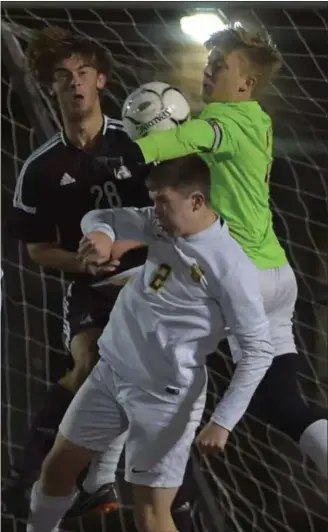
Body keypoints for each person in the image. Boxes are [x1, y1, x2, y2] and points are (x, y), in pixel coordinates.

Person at [103, 24, 327, 478]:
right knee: (282, 402)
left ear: (246, 82)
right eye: (208, 64)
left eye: (219, 67)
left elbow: (181, 141)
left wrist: (115, 156)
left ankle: (110, 470)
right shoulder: (259, 119)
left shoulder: (221, 125)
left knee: (143, 340)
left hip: (239, 275)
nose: (208, 72)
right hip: (277, 277)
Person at [26, 155, 274, 532]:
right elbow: (101, 216)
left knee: (151, 516)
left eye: (163, 202)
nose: (154, 211)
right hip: (110, 374)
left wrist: (223, 422)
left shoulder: (231, 268)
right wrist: (102, 236)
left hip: (165, 399)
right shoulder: (162, 226)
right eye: (153, 199)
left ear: (196, 202)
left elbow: (258, 350)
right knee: (56, 470)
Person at [3, 25, 151, 519]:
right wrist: (82, 261)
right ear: (52, 88)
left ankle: (105, 479)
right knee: (87, 362)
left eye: (83, 72)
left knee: (148, 377)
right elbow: (39, 250)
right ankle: (27, 479)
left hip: (152, 285)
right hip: (90, 289)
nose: (75, 83)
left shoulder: (138, 143)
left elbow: (173, 214)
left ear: (101, 80)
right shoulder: (40, 169)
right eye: (64, 76)